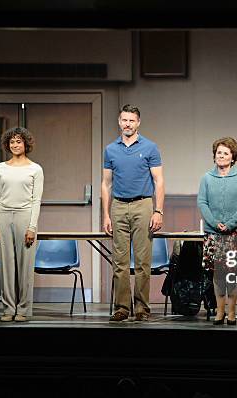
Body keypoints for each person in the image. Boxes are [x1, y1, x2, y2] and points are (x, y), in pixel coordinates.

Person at [102, 104, 165, 322]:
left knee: (142, 262)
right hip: (118, 206)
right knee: (119, 262)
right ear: (119, 122)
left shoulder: (150, 147)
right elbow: (105, 184)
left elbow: (159, 180)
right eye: (124, 120)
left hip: (143, 204)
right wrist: (106, 215)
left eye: (131, 120)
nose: (127, 124)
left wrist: (158, 210)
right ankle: (121, 307)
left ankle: (142, 308)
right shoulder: (111, 149)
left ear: (138, 122)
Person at [197, 137, 237, 325]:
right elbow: (202, 202)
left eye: (226, 153)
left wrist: (230, 224)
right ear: (214, 156)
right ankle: (219, 312)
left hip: (234, 234)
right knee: (217, 274)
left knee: (232, 273)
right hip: (213, 234)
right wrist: (214, 222)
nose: (221, 156)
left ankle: (231, 312)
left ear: (232, 157)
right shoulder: (206, 178)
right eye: (219, 152)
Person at [0, 127, 44, 322]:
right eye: (12, 142)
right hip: (4, 216)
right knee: (6, 266)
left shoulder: (35, 169)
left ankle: (23, 309)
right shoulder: (0, 168)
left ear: (26, 144)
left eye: (19, 141)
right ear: (7, 144)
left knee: (25, 266)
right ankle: (8, 308)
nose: (15, 145)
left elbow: (36, 200)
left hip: (25, 216)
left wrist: (32, 227)